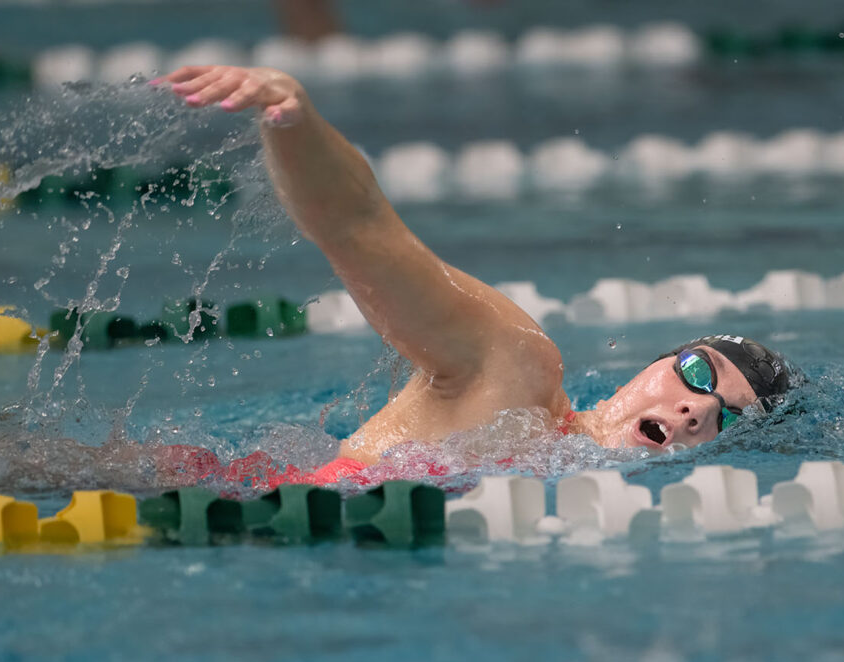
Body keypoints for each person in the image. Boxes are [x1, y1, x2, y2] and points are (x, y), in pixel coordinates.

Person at [149, 65, 790, 486]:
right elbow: (361, 230)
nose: (698, 407)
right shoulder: (514, 369)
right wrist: (297, 122)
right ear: (653, 363)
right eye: (699, 373)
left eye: (729, 417)